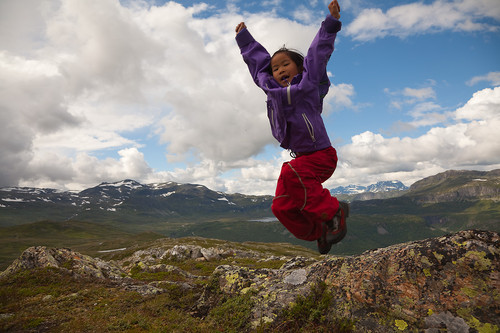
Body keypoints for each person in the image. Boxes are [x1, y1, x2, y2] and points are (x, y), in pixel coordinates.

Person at [235, 0, 349, 254]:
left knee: (290, 171)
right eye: (276, 68)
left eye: (285, 64)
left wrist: (331, 24)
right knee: (281, 206)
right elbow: (259, 67)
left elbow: (318, 54)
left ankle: (334, 211)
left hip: (320, 155)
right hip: (303, 161)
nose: (280, 70)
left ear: (298, 67)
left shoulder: (307, 86)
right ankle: (318, 230)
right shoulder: (272, 91)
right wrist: (245, 40)